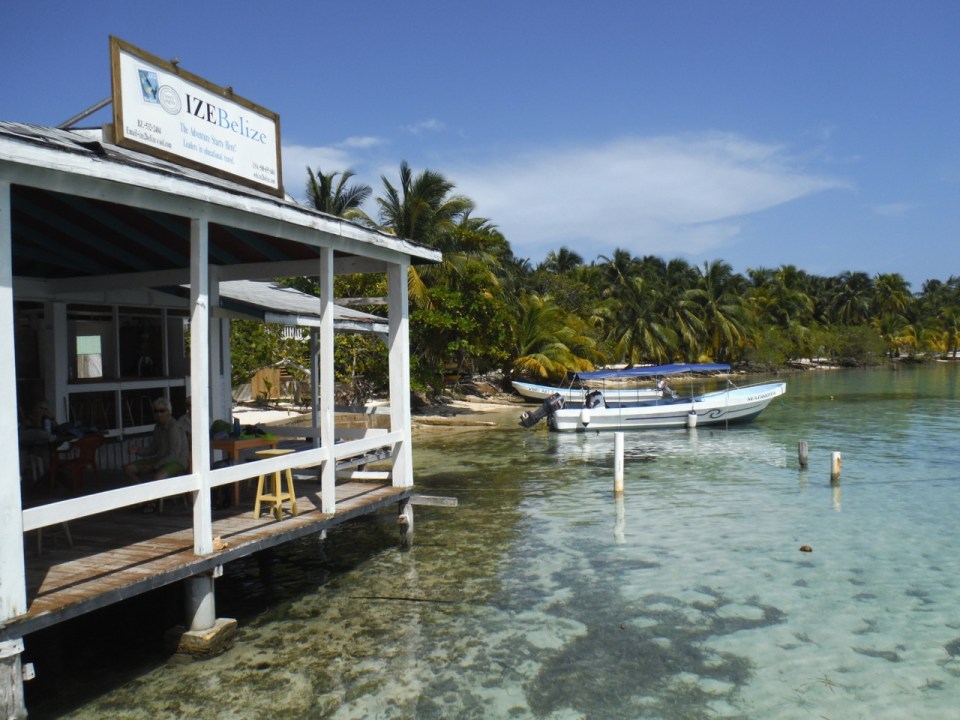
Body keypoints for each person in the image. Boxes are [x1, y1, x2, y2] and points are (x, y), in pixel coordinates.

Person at [125, 397, 188, 513]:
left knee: (158, 476)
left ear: (169, 411)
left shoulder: (174, 427)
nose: (159, 414)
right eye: (156, 411)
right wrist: (137, 450)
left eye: (162, 411)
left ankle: (151, 502)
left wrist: (153, 466)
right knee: (129, 468)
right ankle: (143, 497)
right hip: (161, 459)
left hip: (177, 462)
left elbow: (173, 455)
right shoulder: (157, 427)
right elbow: (152, 449)